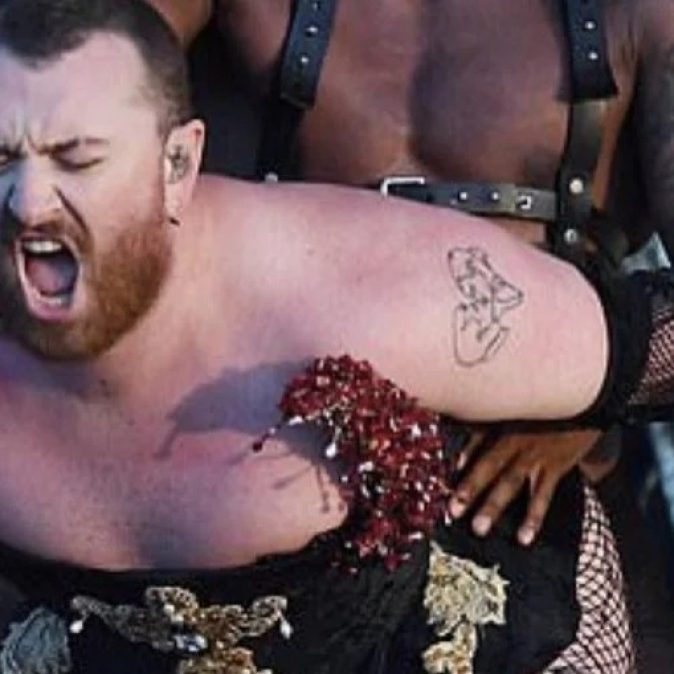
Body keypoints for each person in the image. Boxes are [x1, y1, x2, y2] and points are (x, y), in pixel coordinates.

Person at [0, 1, 670, 672]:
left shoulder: (635, 13)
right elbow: (66, 69)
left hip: (526, 479)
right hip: (243, 457)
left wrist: (594, 386)